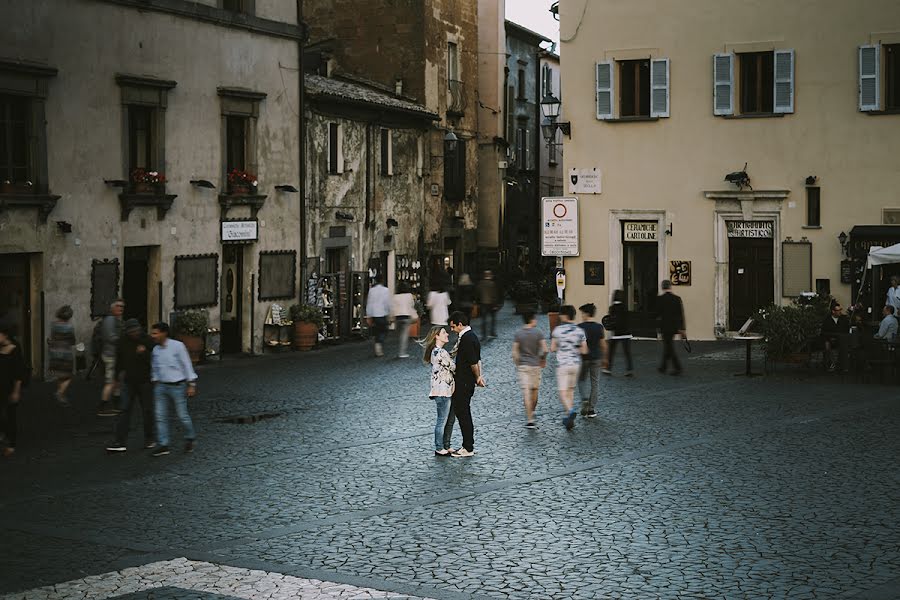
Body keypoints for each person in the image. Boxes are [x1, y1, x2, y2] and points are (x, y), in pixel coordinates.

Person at [106, 319, 156, 452]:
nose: (134, 333)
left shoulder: (147, 340)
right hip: (129, 382)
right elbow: (119, 362)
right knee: (124, 411)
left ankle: (149, 439)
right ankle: (120, 441)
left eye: (136, 331)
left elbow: (156, 359)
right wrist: (116, 380)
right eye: (131, 331)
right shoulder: (122, 342)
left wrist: (144, 353)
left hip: (146, 381)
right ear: (127, 332)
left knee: (147, 411)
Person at [150, 322, 198, 456]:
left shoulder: (177, 346)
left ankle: (190, 437)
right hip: (161, 386)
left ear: (163, 333)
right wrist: (154, 379)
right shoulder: (156, 350)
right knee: (160, 416)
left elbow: (186, 364)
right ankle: (163, 444)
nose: (152, 336)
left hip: (177, 386)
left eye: (155, 333)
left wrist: (191, 384)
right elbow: (154, 367)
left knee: (182, 415)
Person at [445, 311, 484, 457]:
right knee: (463, 413)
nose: (452, 330)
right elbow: (477, 360)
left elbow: (474, 362)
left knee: (463, 414)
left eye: (453, 326)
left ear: (460, 324)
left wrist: (478, 377)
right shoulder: (470, 336)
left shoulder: (467, 339)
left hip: (464, 382)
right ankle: (467, 445)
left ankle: (468, 447)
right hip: (466, 382)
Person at [550, 305, 588, 431]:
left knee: (562, 392)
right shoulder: (580, 331)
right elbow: (584, 350)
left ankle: (570, 411)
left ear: (564, 315)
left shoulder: (558, 331)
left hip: (563, 365)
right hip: (576, 364)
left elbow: (553, 348)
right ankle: (569, 418)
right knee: (570, 391)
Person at [423, 326, 455, 456]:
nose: (447, 334)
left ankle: (446, 445)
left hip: (447, 391)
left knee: (449, 420)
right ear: (437, 336)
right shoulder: (439, 353)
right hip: (442, 392)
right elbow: (453, 366)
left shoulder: (439, 352)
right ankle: (439, 447)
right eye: (443, 333)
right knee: (442, 420)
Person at [512, 311, 546, 429]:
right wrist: (542, 359)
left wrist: (517, 363)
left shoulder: (518, 333)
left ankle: (530, 419)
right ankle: (532, 411)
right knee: (534, 390)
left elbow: (515, 352)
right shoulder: (538, 332)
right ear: (533, 319)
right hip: (535, 365)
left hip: (523, 366)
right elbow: (545, 349)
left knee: (526, 392)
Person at [0, 323, 26, 457]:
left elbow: (18, 373)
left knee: (11, 416)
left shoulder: (15, 350)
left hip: (9, 388)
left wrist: (16, 391)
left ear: (4, 335)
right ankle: (3, 432)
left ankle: (11, 444)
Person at [578, 303, 607, 419]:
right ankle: (591, 409)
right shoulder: (599, 327)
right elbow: (603, 345)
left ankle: (584, 398)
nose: (581, 316)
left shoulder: (579, 327)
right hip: (596, 358)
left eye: (582, 313)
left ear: (585, 314)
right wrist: (605, 357)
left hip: (584, 358)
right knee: (595, 383)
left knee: (581, 380)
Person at [97, 299, 125, 417]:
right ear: (112, 308)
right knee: (110, 382)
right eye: (118, 306)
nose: (120, 309)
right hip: (110, 355)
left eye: (122, 307)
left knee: (117, 381)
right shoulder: (109, 320)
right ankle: (103, 406)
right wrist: (124, 341)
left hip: (116, 355)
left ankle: (116, 404)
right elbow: (110, 337)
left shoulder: (116, 320)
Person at [48, 305, 76, 407]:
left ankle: (61, 396)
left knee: (60, 375)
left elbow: (52, 338)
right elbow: (72, 341)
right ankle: (59, 393)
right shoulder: (69, 326)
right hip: (65, 353)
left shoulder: (53, 325)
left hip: (54, 352)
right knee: (68, 376)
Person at [656, 280, 686, 375]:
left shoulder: (660, 299)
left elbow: (657, 314)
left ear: (662, 287)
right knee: (668, 345)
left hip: (664, 326)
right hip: (674, 327)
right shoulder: (677, 298)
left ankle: (677, 367)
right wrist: (682, 329)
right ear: (670, 286)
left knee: (669, 346)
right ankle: (663, 367)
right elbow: (681, 315)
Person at [604, 289, 634, 376]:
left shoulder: (612, 308)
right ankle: (630, 369)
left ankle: (608, 369)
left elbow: (610, 320)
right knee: (627, 352)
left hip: (616, 334)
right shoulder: (625, 307)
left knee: (611, 351)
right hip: (626, 332)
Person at [366, 275, 392, 357]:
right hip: (382, 313)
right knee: (384, 330)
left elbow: (369, 302)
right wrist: (389, 313)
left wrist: (368, 315)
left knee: (377, 330)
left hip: (374, 313)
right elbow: (387, 302)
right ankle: (379, 343)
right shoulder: (385, 290)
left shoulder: (371, 290)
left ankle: (378, 343)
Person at [821, 302, 850, 372]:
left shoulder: (843, 319)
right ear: (833, 311)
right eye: (838, 310)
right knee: (827, 345)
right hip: (830, 339)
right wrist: (829, 339)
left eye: (841, 310)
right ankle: (832, 364)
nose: (840, 312)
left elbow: (846, 329)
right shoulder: (827, 320)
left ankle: (844, 366)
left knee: (845, 344)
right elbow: (824, 332)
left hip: (842, 339)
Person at [392, 282, 417, 359]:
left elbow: (392, 307)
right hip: (406, 316)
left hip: (397, 317)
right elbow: (412, 305)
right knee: (404, 335)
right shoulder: (409, 296)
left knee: (399, 334)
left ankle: (399, 350)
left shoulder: (395, 296)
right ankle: (402, 352)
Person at [475, 270, 500, 339]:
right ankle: (492, 332)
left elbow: (477, 293)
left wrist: (478, 302)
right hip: (491, 304)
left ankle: (484, 334)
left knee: (483, 319)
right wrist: (495, 304)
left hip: (483, 303)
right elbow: (494, 295)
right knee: (493, 319)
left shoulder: (480, 283)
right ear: (490, 275)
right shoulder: (492, 284)